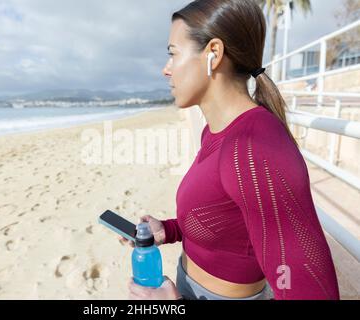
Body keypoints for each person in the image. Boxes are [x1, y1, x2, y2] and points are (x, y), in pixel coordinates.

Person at [119, 0, 340, 300]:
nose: (166, 69)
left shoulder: (253, 146)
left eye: (173, 54)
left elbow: (312, 291)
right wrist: (168, 230)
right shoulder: (216, 132)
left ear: (213, 53)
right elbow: (228, 221)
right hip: (187, 284)